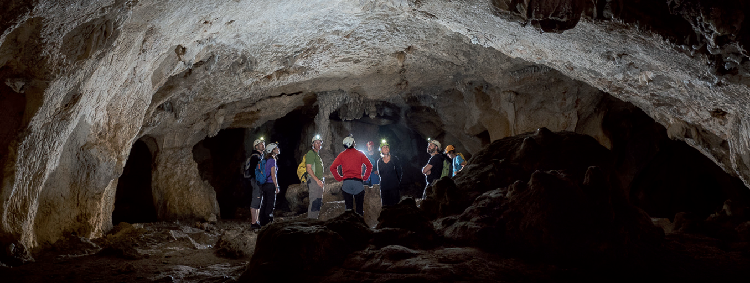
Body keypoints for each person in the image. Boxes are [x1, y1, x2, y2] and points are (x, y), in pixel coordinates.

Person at [329, 135, 372, 216]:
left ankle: (349, 226)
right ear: (352, 143)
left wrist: (339, 178)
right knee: (359, 209)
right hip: (358, 183)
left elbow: (332, 168)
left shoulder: (342, 155)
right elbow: (369, 165)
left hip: (347, 183)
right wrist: (365, 177)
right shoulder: (360, 154)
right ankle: (360, 226)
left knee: (348, 210)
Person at [244, 138, 265, 229]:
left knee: (259, 200)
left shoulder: (260, 156)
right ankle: (253, 222)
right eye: (261, 144)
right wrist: (258, 179)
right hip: (256, 181)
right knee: (256, 199)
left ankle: (256, 221)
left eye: (263, 143)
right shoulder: (255, 157)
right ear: (256, 146)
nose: (263, 145)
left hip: (259, 181)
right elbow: (253, 170)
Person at [259, 142, 280, 226]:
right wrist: (276, 186)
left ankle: (262, 222)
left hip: (264, 184)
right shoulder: (272, 160)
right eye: (276, 148)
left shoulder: (266, 160)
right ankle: (268, 222)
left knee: (264, 203)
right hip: (270, 184)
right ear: (272, 150)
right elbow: (273, 174)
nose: (278, 149)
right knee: (270, 203)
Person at [377, 140, 402, 207]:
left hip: (394, 188)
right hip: (384, 188)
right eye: (384, 147)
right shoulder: (379, 161)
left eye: (387, 147)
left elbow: (399, 172)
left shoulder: (394, 159)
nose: (386, 148)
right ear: (381, 150)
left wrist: (396, 182)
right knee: (385, 207)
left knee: (395, 206)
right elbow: (380, 174)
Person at [305, 135, 325, 219]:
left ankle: (315, 220)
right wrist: (317, 180)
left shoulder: (317, 155)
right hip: (313, 181)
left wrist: (321, 180)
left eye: (320, 143)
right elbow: (308, 168)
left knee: (318, 202)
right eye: (316, 143)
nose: (318, 144)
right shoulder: (311, 153)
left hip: (318, 181)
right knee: (314, 202)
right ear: (313, 144)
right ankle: (310, 221)